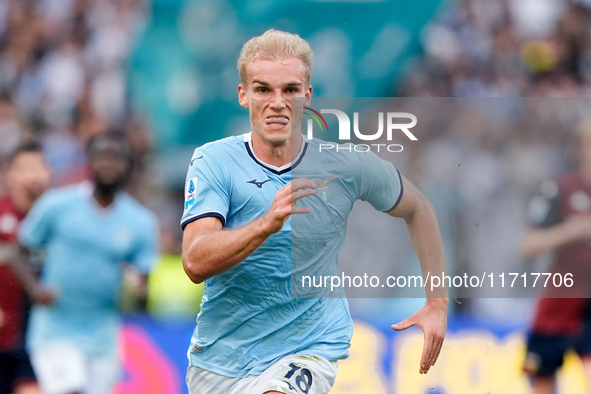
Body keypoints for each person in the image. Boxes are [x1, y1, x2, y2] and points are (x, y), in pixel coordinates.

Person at [181, 29, 448, 394]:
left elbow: (419, 209)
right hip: (220, 361)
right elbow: (195, 262)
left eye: (290, 89)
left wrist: (437, 303)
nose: (278, 102)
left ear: (307, 94)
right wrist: (264, 225)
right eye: (263, 89)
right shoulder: (214, 161)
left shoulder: (345, 165)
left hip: (308, 346)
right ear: (244, 95)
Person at [18, 132, 159, 394]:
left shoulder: (141, 223)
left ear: (128, 165)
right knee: (70, 389)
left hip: (103, 335)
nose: (108, 163)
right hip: (55, 329)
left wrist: (137, 289)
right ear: (89, 162)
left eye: (116, 157)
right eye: (101, 156)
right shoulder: (57, 206)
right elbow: (20, 247)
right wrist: (35, 288)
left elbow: (143, 281)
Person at [522, 119, 591, 394]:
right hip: (559, 304)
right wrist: (572, 231)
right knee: (541, 379)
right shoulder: (560, 189)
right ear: (581, 147)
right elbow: (528, 244)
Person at [0, 142, 51, 394]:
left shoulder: (58, 219)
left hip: (40, 338)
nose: (35, 175)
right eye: (26, 168)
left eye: (40, 167)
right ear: (10, 175)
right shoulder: (2, 214)